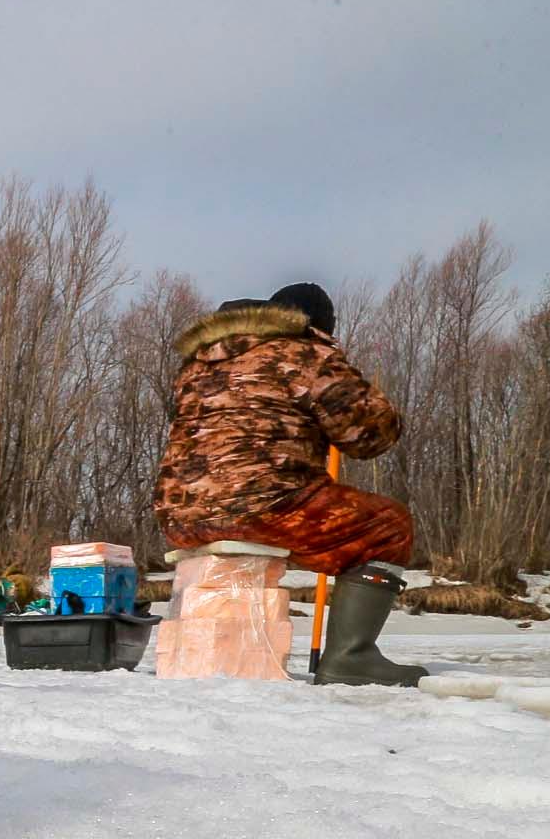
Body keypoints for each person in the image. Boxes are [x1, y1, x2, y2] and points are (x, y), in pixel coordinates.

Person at [155, 282, 424, 686]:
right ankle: (351, 658)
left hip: (180, 513)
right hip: (261, 506)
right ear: (316, 325)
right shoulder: (304, 352)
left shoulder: (200, 363)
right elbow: (369, 435)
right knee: (387, 525)